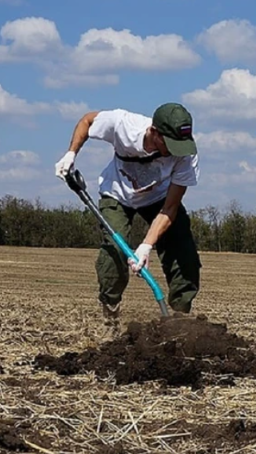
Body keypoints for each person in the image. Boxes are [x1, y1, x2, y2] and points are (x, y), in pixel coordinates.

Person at [55, 103, 202, 340]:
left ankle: (179, 321)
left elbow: (170, 207)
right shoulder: (123, 124)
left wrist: (145, 246)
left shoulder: (186, 154)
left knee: (183, 249)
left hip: (159, 198)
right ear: (154, 131)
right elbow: (87, 121)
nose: (176, 152)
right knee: (114, 250)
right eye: (170, 144)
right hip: (117, 194)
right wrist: (71, 154)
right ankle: (110, 319)